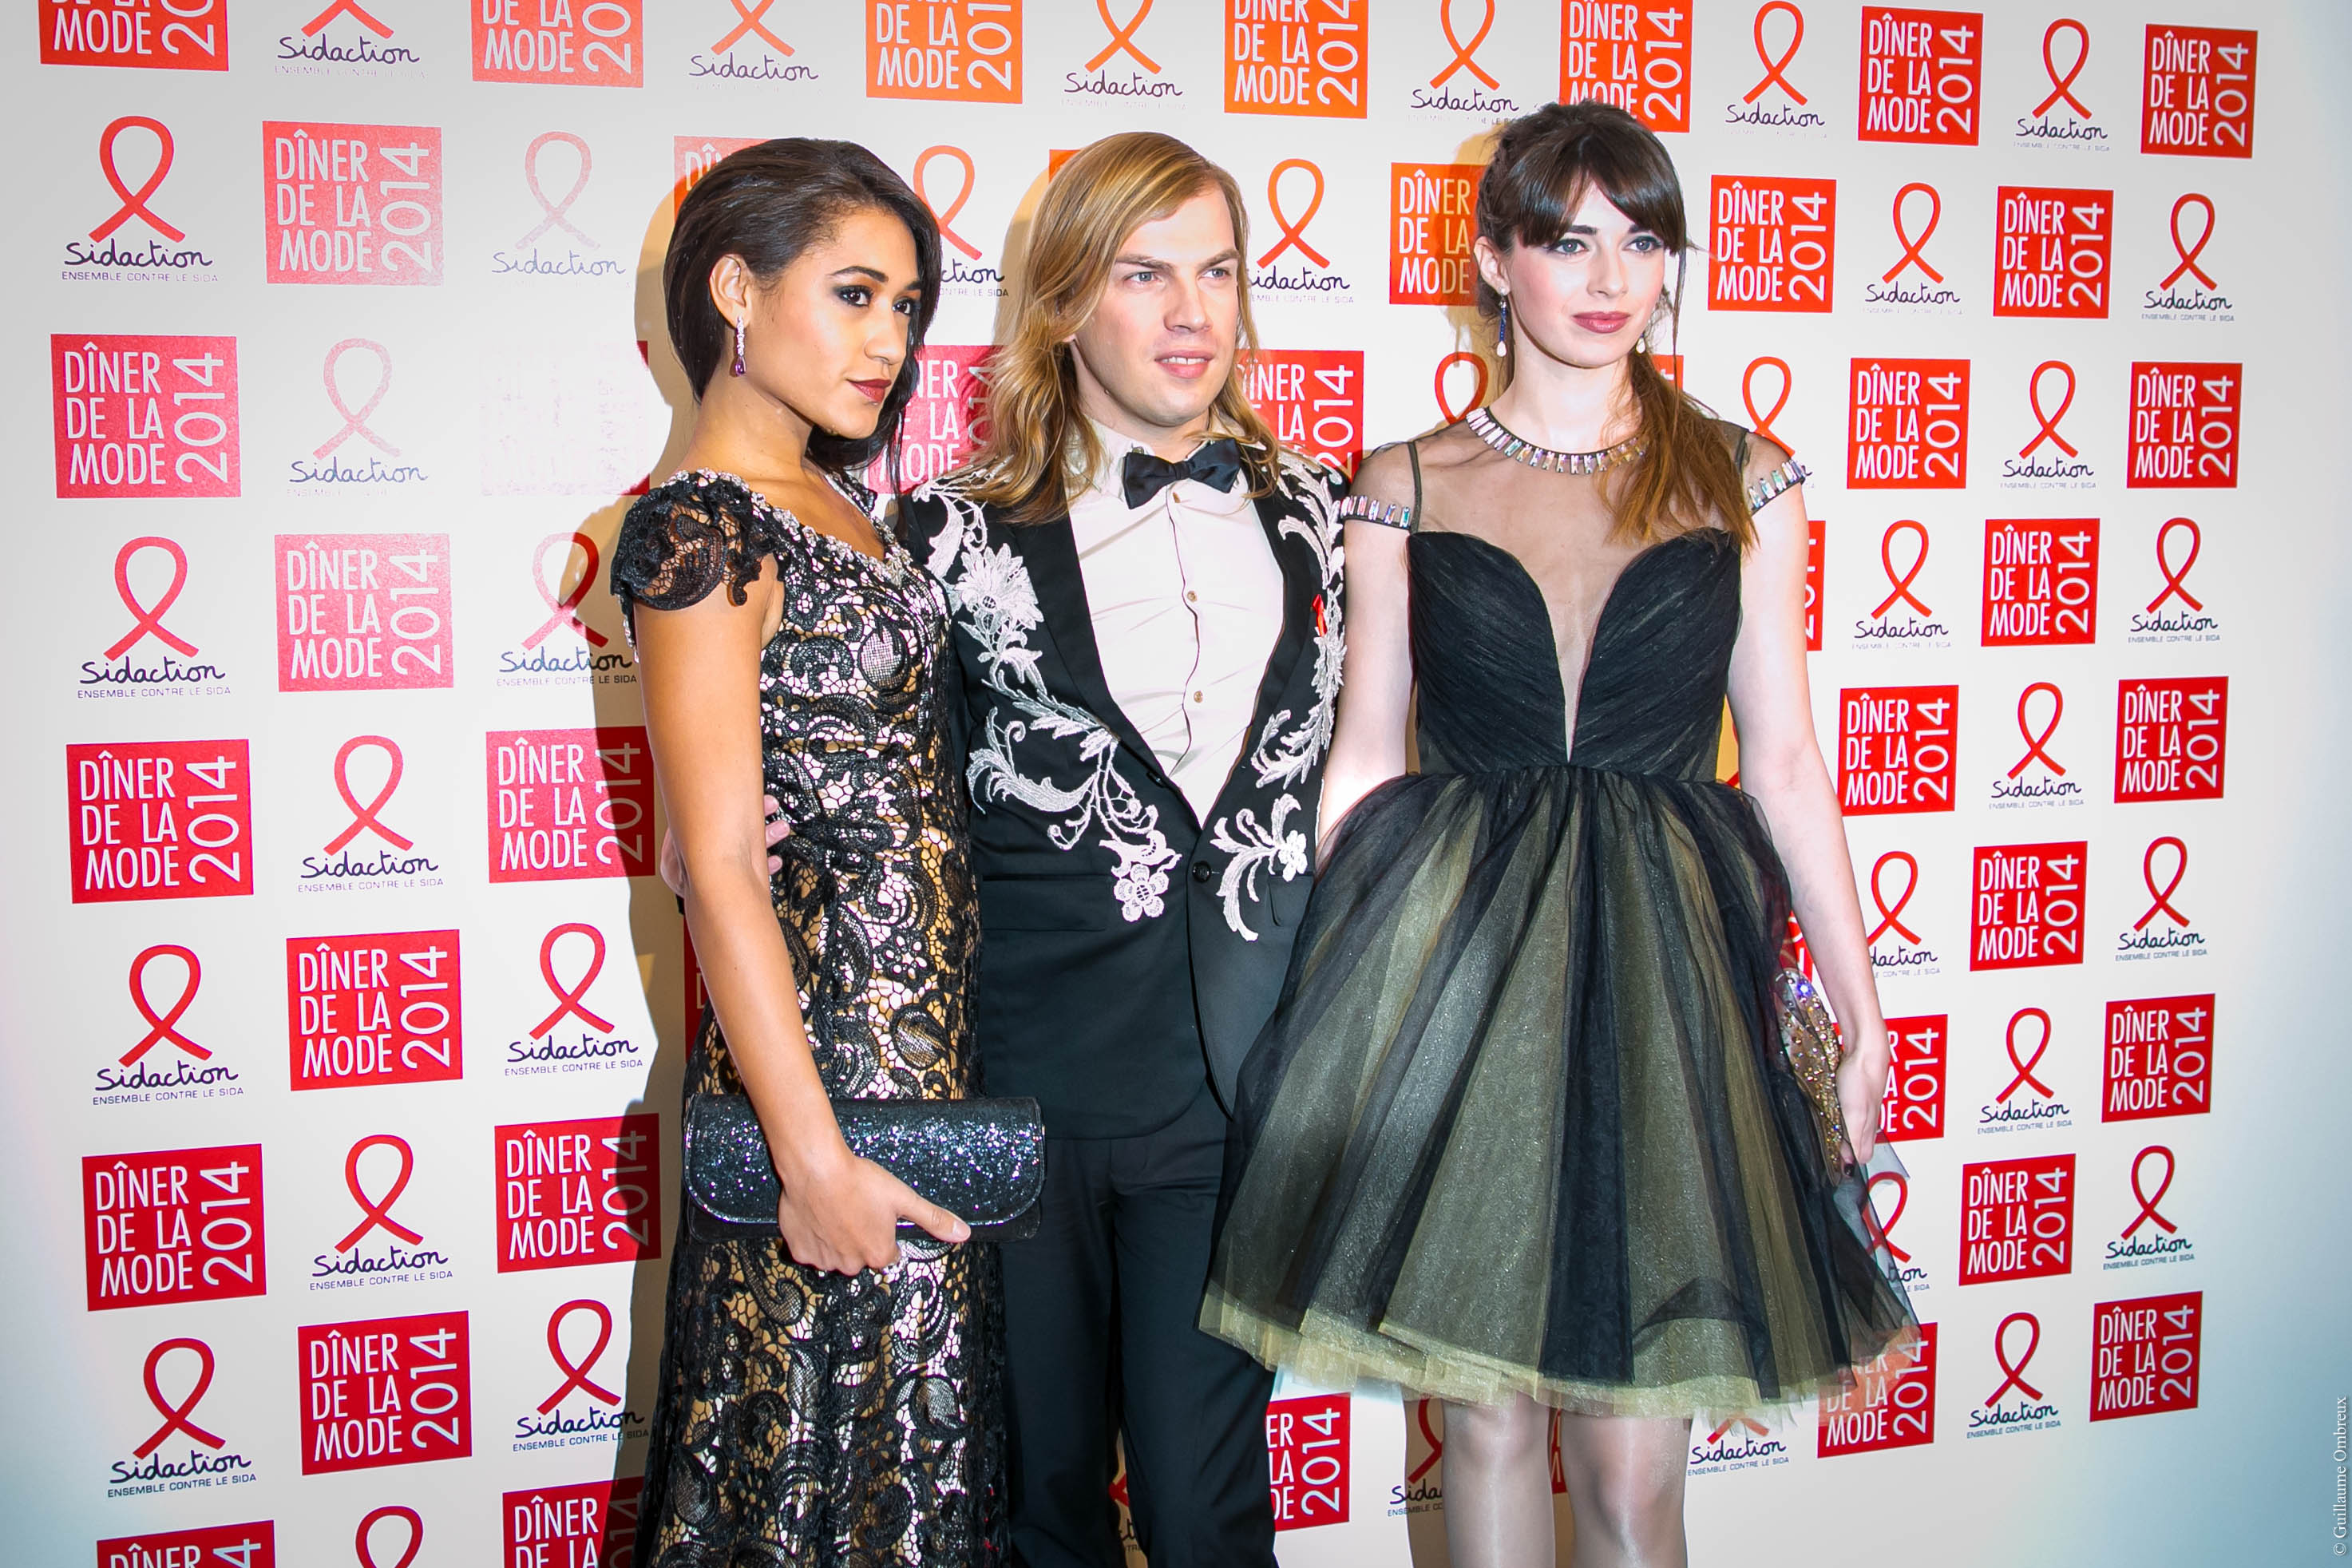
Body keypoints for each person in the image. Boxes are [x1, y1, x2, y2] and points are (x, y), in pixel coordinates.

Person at [1202, 101, 1914, 1568]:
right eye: (1568, 239)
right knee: (1481, 1426)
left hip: (1669, 987)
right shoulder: (1402, 483)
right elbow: (1366, 757)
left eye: (1642, 242)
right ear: (1493, 259)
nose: (1608, 277)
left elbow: (1785, 760)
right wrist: (1338, 1004)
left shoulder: (1744, 476)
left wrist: (1860, 1009)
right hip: (1463, 977)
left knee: (1633, 1462)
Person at [897, 132, 1347, 1567]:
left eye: (1216, 271)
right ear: (1062, 301)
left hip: (1236, 1087)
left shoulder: (1324, 518)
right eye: (1144, 274)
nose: (1191, 312)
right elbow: (883, 789)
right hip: (1022, 1084)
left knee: (1206, 1512)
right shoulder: (946, 533)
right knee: (1039, 1508)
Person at [612, 139, 1005, 1564]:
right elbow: (722, 864)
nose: (887, 341)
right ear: (735, 288)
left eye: (905, 307)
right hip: (825, 1075)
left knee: (914, 1474)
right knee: (811, 1475)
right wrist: (813, 1158)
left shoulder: (852, 509)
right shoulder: (698, 527)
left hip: (932, 1057)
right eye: (851, 294)